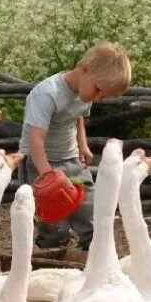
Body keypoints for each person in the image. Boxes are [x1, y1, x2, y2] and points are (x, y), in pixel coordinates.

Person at [18, 41, 132, 250]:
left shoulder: (85, 93)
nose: (98, 99)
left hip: (71, 157)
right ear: (85, 69)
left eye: (104, 96)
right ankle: (52, 252)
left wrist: (82, 145)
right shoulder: (47, 94)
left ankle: (94, 249)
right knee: (52, 216)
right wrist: (47, 175)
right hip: (39, 161)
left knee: (88, 205)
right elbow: (35, 139)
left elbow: (78, 117)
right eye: (99, 91)